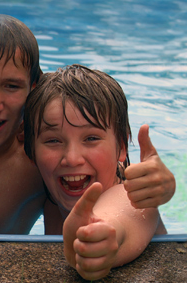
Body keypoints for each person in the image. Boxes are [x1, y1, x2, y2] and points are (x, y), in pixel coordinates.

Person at [0, 14, 176, 234]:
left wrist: (160, 184)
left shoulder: (43, 160)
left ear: (32, 89)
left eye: (11, 86)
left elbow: (109, 181)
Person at [23, 64, 167, 280]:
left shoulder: (131, 196)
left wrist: (97, 238)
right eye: (53, 140)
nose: (72, 158)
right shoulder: (49, 192)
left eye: (91, 139)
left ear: (121, 146)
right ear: (32, 152)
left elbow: (117, 219)